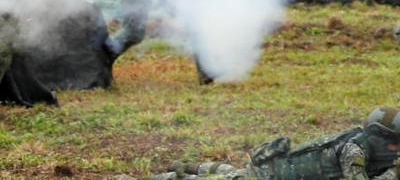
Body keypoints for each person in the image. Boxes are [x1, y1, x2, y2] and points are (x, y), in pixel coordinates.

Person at [126, 106, 400, 180]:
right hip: (271, 175)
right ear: (380, 137)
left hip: (273, 169)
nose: (396, 150)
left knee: (234, 172)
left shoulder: (363, 143)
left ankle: (191, 165)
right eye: (394, 144)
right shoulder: (354, 149)